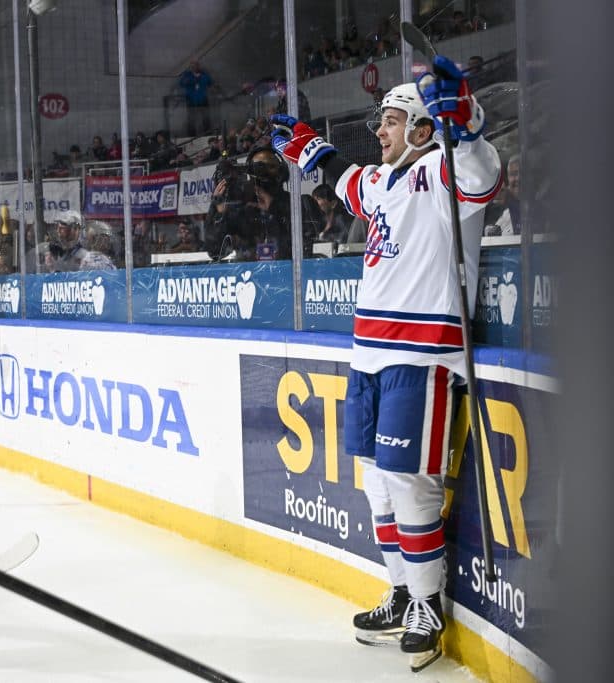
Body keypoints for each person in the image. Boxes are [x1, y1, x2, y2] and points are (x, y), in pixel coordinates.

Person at [271, 54, 501, 672]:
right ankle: (402, 590)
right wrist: (306, 150)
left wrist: (469, 119)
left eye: (393, 120)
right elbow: (346, 177)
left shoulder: (442, 170)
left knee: (410, 483)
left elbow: (483, 173)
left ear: (424, 129)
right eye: (382, 121)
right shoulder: (384, 179)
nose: (381, 130)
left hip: (422, 355)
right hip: (368, 353)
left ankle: (429, 603)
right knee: (375, 478)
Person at [178, 59, 214, 137]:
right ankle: (191, 136)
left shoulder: (204, 73)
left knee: (206, 118)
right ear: (190, 66)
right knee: (191, 120)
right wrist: (193, 79)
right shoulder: (187, 74)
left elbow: (210, 82)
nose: (194, 67)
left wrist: (200, 77)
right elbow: (182, 83)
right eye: (192, 65)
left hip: (202, 99)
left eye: (195, 65)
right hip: (191, 100)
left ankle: (208, 135)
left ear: (198, 66)